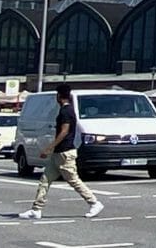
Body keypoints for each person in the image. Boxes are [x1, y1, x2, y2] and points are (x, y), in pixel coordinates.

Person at [19, 85, 103, 220]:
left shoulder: (66, 112)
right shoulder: (68, 110)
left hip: (65, 152)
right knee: (45, 180)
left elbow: (64, 131)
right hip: (59, 153)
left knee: (73, 180)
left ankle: (94, 202)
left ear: (59, 96)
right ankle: (36, 209)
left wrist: (49, 147)